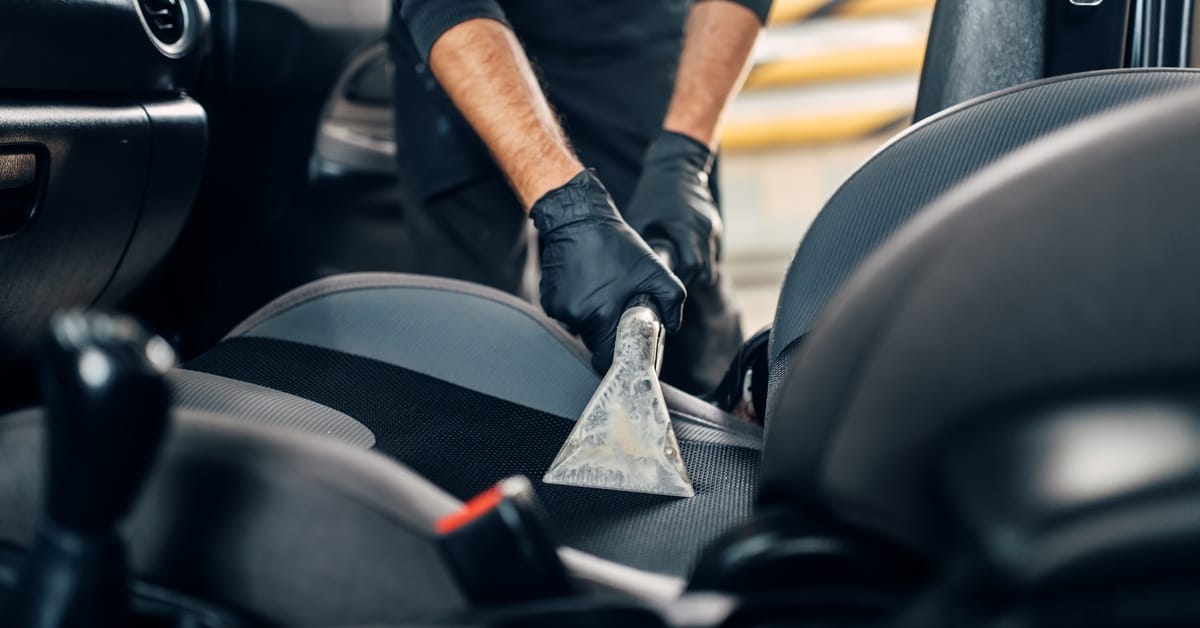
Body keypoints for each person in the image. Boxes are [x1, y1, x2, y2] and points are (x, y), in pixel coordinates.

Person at [388, 0, 772, 394]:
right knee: (476, 346)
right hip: (459, 34)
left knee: (676, 300)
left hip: (628, 34)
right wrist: (568, 206)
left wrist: (685, 153)